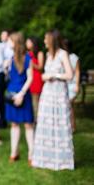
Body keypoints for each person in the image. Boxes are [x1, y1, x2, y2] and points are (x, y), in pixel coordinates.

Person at [32, 30, 74, 171]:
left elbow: (69, 74)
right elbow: (45, 74)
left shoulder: (62, 54)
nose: (44, 41)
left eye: (46, 38)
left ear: (52, 39)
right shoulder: (48, 55)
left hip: (59, 93)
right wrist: (45, 76)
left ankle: (62, 159)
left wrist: (54, 75)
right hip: (48, 93)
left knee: (59, 123)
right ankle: (46, 158)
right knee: (46, 123)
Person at [5, 33, 34, 164]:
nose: (8, 43)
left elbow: (30, 78)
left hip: (23, 93)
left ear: (16, 43)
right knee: (14, 124)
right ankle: (14, 152)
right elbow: (9, 77)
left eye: (10, 41)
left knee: (28, 124)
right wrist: (6, 68)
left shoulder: (28, 59)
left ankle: (31, 155)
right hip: (12, 93)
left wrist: (21, 94)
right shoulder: (10, 59)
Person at [62, 39, 80, 132]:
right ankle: (67, 125)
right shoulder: (61, 57)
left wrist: (77, 85)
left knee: (69, 105)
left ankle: (72, 127)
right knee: (66, 106)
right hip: (63, 85)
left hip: (72, 85)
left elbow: (77, 72)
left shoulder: (74, 58)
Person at [26, 37, 44, 119]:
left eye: (28, 42)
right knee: (30, 101)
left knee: (36, 101)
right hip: (28, 78)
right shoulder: (26, 53)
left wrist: (32, 64)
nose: (26, 43)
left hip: (36, 78)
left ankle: (37, 119)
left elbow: (40, 67)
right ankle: (32, 118)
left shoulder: (39, 53)